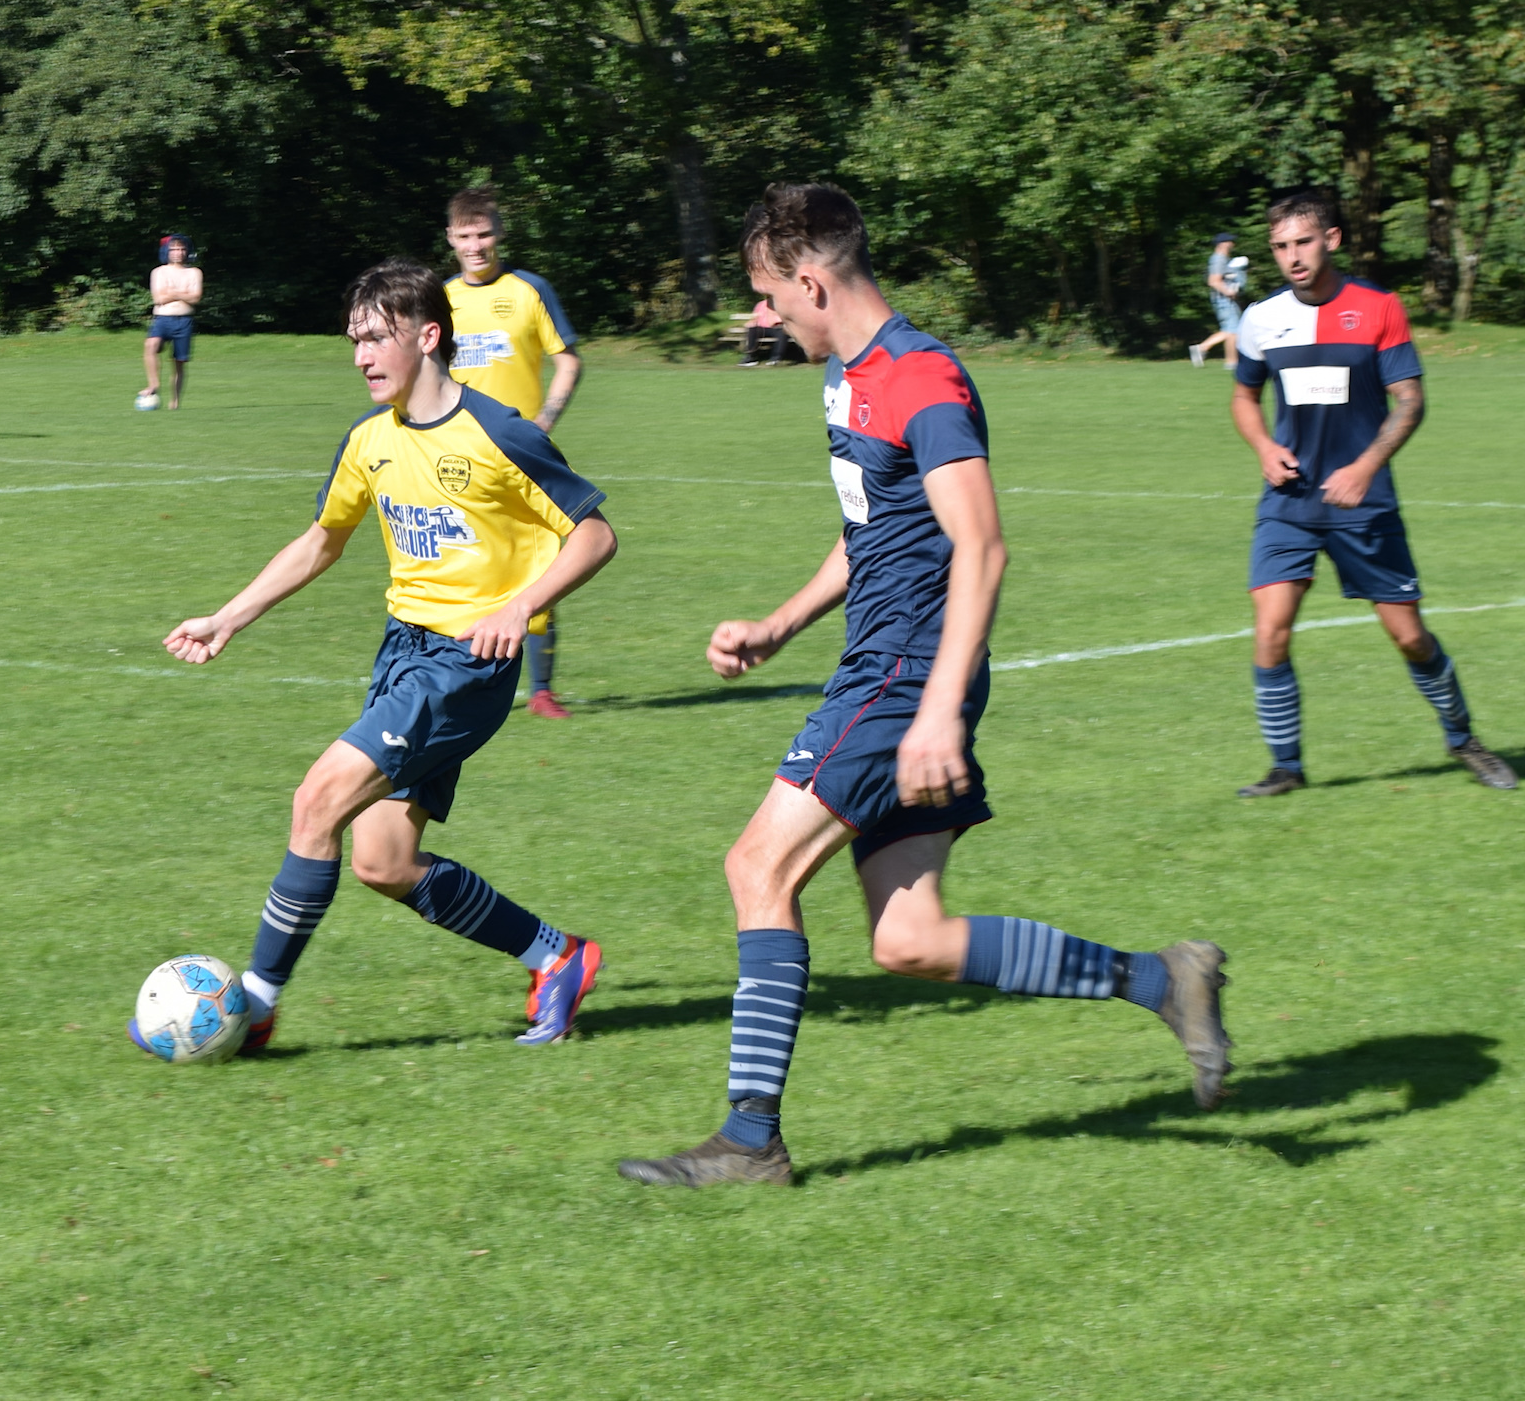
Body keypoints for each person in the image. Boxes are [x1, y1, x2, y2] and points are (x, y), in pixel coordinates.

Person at [617, 183, 1233, 1190]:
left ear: (812, 282)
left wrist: (940, 705)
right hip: (887, 664)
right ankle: (1164, 981)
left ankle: (748, 1140)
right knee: (909, 941)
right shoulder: (847, 377)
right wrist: (779, 623)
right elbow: (874, 532)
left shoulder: (921, 379)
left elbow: (980, 544)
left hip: (906, 674)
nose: (762, 317)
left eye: (769, 295)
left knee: (755, 869)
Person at [141, 258, 620, 1057]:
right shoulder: (369, 440)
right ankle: (557, 957)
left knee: (316, 800)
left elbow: (596, 533)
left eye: (376, 338)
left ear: (428, 337)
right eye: (354, 340)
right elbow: (322, 540)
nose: (361, 355)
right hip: (402, 656)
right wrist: (230, 617)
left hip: (466, 664)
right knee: (383, 860)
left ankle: (252, 1006)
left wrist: (518, 604)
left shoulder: (500, 431)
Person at [1230, 191, 1514, 796]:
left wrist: (1364, 467)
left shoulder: (1379, 307)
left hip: (1365, 503)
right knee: (1270, 630)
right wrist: (1261, 447)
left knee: (1409, 636)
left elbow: (1410, 401)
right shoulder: (1261, 318)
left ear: (1331, 240)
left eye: (1302, 242)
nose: (1291, 257)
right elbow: (1243, 397)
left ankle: (1463, 738)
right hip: (1289, 504)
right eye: (1280, 247)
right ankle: (1286, 767)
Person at [444, 187, 584, 719]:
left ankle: (541, 690)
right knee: (462, 562)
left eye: (484, 233)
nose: (476, 245)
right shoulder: (440, 296)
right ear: (451, 240)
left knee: (543, 562)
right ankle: (456, 676)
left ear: (499, 234)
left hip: (524, 454)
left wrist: (544, 421)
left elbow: (568, 361)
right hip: (456, 453)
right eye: (465, 236)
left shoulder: (529, 290)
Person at [139, 234, 201, 411]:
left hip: (184, 321)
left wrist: (173, 293)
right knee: (151, 345)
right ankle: (153, 384)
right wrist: (182, 294)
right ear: (167, 251)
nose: (178, 253)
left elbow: (195, 297)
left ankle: (174, 402)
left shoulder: (194, 272)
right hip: (162, 319)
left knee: (179, 363)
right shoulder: (159, 272)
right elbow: (159, 298)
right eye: (174, 249)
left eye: (182, 249)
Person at [1191, 233, 1243, 368]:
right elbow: (1213, 281)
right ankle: (1231, 362)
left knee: (1230, 330)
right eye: (1230, 241)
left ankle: (1202, 348)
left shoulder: (1224, 259)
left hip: (1226, 299)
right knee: (1233, 330)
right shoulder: (1219, 259)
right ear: (1223, 244)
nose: (1233, 244)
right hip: (1224, 300)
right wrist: (1229, 292)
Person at [742, 297, 792, 367]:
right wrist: (752, 322)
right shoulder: (761, 304)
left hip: (777, 327)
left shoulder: (782, 304)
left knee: (782, 332)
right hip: (762, 328)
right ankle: (751, 356)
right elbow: (755, 316)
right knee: (752, 329)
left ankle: (776, 358)